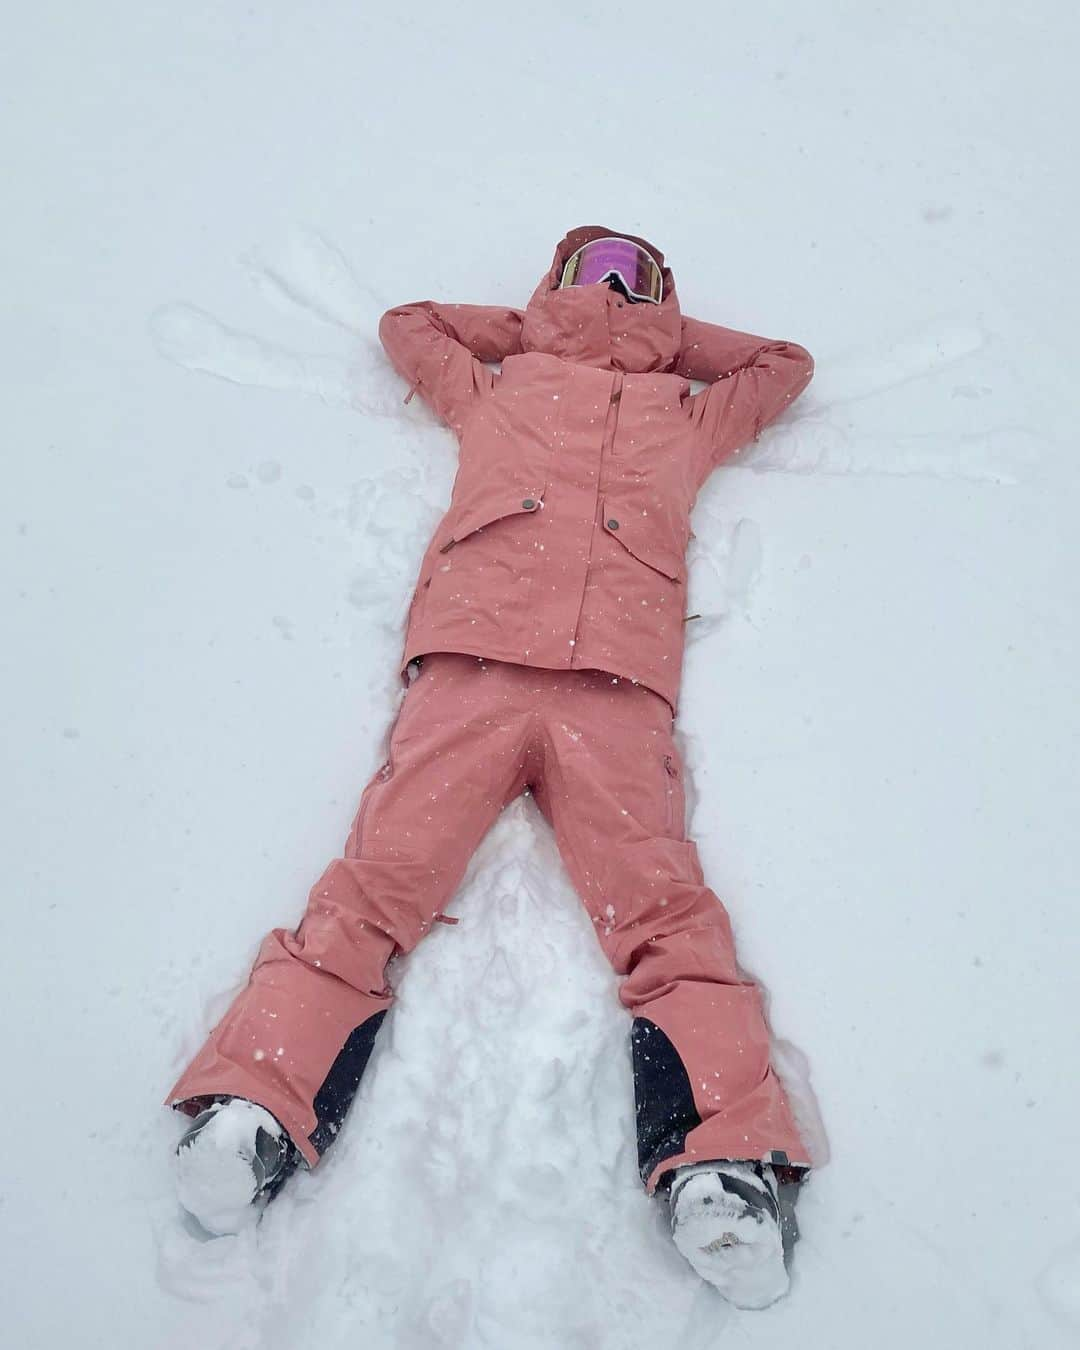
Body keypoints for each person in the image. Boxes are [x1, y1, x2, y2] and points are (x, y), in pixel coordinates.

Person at [168, 226, 816, 1309]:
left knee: (663, 912)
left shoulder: (687, 416)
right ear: (554, 285)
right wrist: (541, 330)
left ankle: (721, 1164)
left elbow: (784, 368)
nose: (609, 292)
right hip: (471, 663)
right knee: (379, 887)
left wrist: (657, 345)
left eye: (633, 280)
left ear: (663, 301)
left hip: (614, 687)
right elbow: (406, 328)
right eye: (590, 274)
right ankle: (256, 1109)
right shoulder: (501, 384)